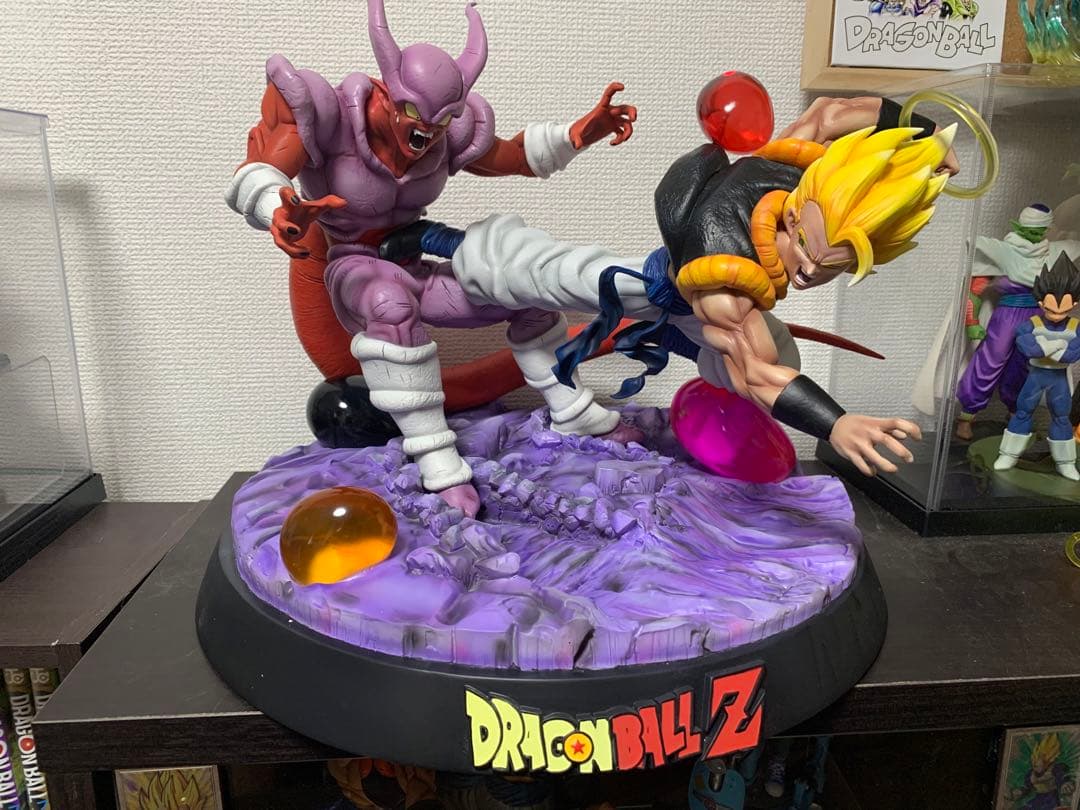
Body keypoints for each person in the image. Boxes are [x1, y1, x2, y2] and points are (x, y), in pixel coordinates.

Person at [994, 252, 1080, 479]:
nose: (1057, 316)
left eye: (1063, 311)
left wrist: (1047, 347)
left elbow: (1072, 354)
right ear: (1041, 303)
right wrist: (1057, 347)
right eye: (1051, 310)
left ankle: (1066, 462)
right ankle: (1008, 454)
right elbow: (1028, 347)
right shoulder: (1030, 323)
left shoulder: (1075, 326)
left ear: (1074, 304)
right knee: (1022, 412)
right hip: (1035, 377)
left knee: (1061, 417)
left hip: (1058, 380)